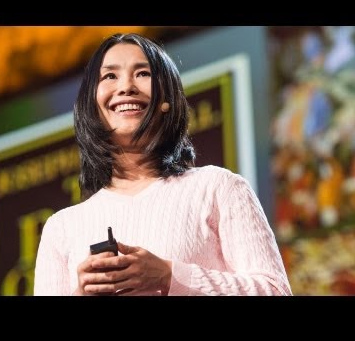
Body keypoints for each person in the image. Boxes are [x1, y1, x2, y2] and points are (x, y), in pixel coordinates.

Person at [34, 33, 293, 296]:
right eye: (110, 76)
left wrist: (169, 276)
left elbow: (275, 291)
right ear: (92, 105)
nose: (126, 87)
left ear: (166, 99)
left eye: (143, 73)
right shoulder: (61, 228)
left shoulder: (218, 188)